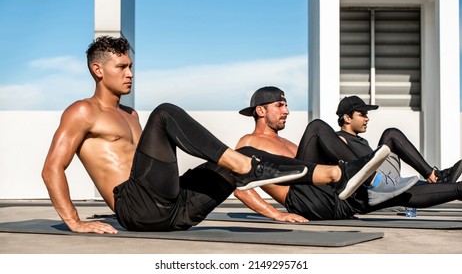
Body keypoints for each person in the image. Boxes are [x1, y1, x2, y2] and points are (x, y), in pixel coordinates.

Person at [41, 36, 388, 233]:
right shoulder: (82, 111)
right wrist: (74, 222)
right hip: (135, 208)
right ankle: (245, 164)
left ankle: (336, 175)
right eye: (121, 67)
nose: (130, 73)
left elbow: (154, 167)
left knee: (246, 159)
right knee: (165, 114)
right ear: (97, 70)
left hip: (172, 212)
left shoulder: (130, 115)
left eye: (131, 65)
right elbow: (52, 168)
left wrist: (276, 213)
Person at [234, 86, 462, 222]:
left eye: (286, 105)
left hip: (335, 201)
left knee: (399, 193)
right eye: (280, 105)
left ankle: (448, 185)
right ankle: (372, 179)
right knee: (316, 128)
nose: (287, 111)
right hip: (304, 200)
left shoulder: (289, 143)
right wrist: (276, 214)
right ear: (261, 110)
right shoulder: (249, 142)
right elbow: (239, 188)